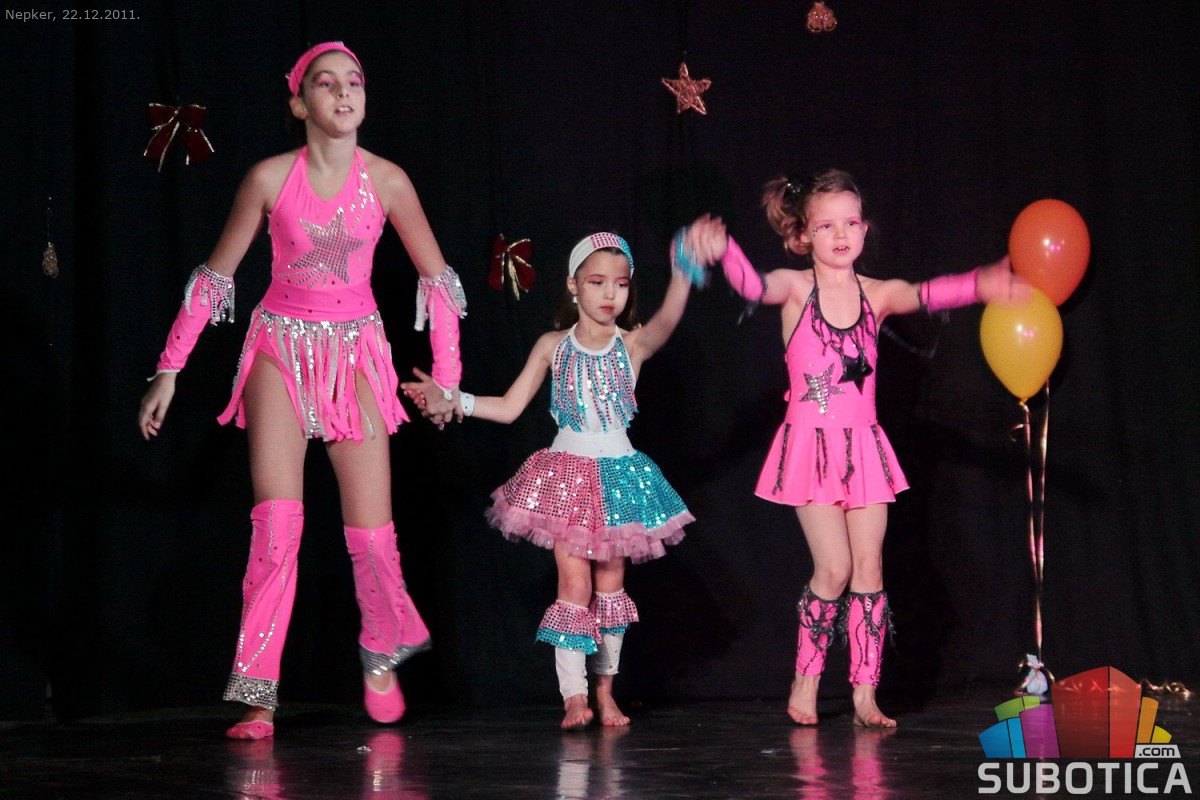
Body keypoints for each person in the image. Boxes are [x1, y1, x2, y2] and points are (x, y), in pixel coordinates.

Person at [137, 41, 466, 740]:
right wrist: (170, 367)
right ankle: (259, 692)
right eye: (326, 83)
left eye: (354, 81)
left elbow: (437, 281)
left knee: (372, 533)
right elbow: (216, 278)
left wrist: (448, 379)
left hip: (356, 355)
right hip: (279, 350)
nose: (344, 92)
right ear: (299, 102)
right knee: (277, 524)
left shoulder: (389, 181)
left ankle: (381, 649)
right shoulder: (267, 179)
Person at [684, 169, 1029, 727]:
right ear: (803, 235)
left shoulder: (877, 294)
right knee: (835, 568)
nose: (840, 234)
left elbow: (925, 292)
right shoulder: (796, 288)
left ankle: (865, 694)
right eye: (826, 226)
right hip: (810, 449)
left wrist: (981, 283)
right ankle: (805, 680)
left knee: (870, 567)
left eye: (850, 223)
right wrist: (725, 250)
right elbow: (752, 286)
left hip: (864, 448)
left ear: (865, 229)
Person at [403, 232, 703, 730]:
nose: (610, 294)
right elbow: (510, 406)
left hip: (619, 478)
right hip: (567, 478)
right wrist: (455, 400)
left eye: (621, 284)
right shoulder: (552, 346)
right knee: (574, 582)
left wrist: (685, 273)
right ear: (573, 285)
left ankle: (605, 692)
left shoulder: (630, 344)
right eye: (597, 282)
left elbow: (666, 321)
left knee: (610, 586)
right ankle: (573, 696)